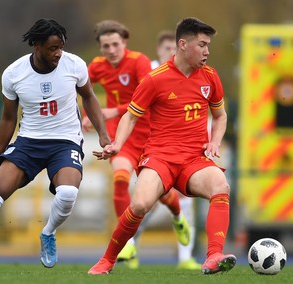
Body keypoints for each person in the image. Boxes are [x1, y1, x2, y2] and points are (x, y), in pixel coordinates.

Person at [0, 18, 110, 273]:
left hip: (65, 142)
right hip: (29, 143)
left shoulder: (74, 64)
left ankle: (48, 232)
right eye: (53, 48)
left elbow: (88, 97)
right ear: (37, 46)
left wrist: (103, 135)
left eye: (61, 47)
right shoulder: (14, 74)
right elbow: (8, 119)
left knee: (67, 193)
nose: (58, 53)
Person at [88, 17, 236, 275]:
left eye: (208, 45)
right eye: (202, 45)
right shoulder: (155, 79)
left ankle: (214, 256)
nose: (207, 51)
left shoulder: (211, 77)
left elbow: (221, 116)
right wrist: (116, 145)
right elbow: (130, 116)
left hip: (194, 160)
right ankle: (107, 260)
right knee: (140, 205)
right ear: (183, 44)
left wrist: (214, 141)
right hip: (160, 158)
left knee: (221, 186)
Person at [82, 19, 190, 268]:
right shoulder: (97, 67)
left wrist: (110, 111)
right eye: (105, 46)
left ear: (124, 43)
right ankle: (128, 242)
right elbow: (81, 89)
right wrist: (88, 115)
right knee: (120, 177)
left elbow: (147, 98)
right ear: (100, 48)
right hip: (120, 137)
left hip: (149, 136)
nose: (111, 50)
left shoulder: (139, 62)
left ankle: (178, 216)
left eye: (115, 44)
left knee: (161, 195)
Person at [150, 29, 200, 270]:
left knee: (186, 204)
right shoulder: (148, 73)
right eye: (167, 49)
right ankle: (130, 249)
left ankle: (185, 257)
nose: (171, 53)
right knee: (143, 204)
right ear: (158, 51)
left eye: (174, 49)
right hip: (147, 149)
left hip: (179, 151)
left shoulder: (189, 76)